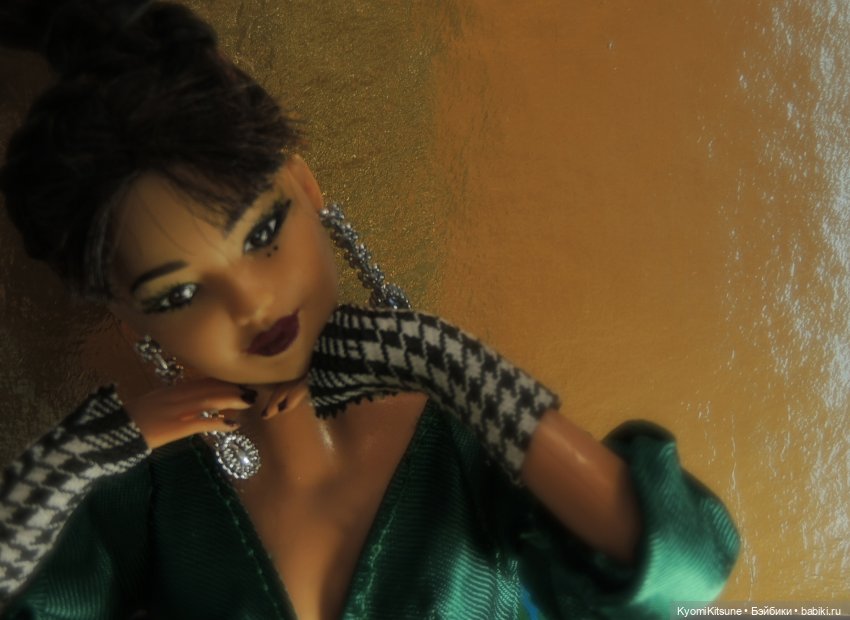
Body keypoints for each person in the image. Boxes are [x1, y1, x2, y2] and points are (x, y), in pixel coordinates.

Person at [0, 0, 740, 618]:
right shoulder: (152, 497)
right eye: (180, 294)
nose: (253, 301)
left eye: (262, 233)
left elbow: (686, 574)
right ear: (130, 319)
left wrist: (443, 362)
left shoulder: (459, 445)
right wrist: (77, 458)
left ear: (305, 184)